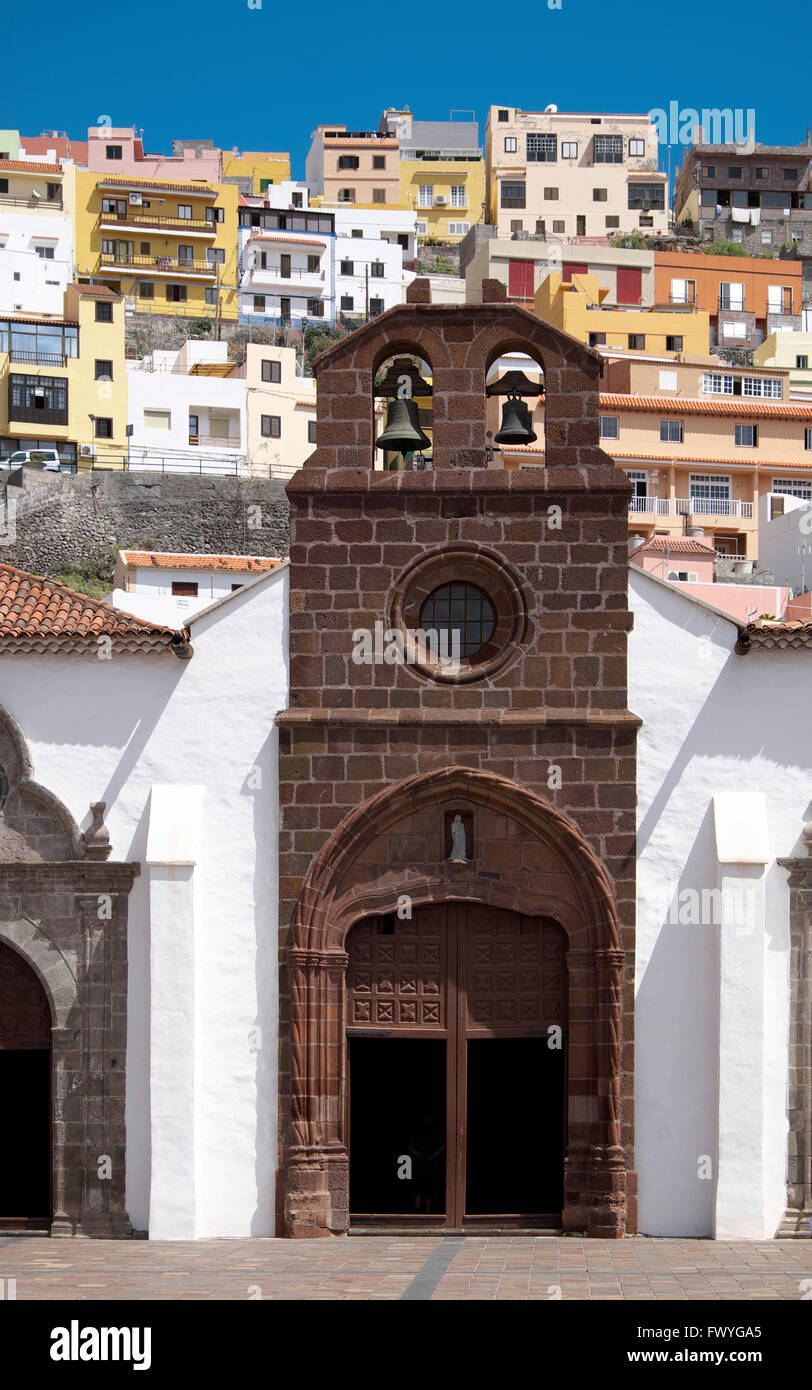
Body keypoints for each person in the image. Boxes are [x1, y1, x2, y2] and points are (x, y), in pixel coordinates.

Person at [407, 1110, 445, 1213]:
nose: (426, 1119)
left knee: (430, 1188)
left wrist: (433, 1155)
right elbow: (410, 1147)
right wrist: (420, 1155)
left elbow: (443, 1145)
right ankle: (417, 1212)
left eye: (428, 1117)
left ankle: (427, 1212)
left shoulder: (436, 1131)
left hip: (432, 1163)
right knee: (417, 1187)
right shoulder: (416, 1131)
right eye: (425, 1117)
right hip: (419, 1163)